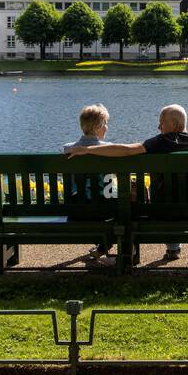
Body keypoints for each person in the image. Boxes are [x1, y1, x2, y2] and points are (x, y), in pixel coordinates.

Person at [66, 104, 188, 262]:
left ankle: (126, 257)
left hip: (162, 211)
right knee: (170, 193)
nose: (158, 126)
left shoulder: (162, 141)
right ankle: (173, 248)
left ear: (174, 125)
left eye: (161, 122)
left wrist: (88, 150)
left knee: (132, 200)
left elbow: (127, 150)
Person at [66, 104, 114, 259]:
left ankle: (102, 247)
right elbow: (109, 185)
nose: (106, 127)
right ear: (98, 126)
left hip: (75, 208)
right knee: (126, 208)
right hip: (103, 209)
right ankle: (112, 248)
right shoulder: (109, 149)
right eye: (105, 123)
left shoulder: (67, 149)